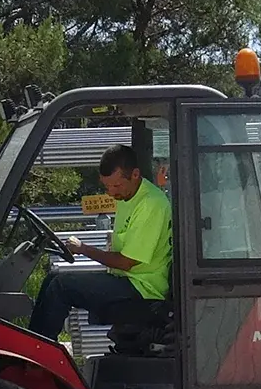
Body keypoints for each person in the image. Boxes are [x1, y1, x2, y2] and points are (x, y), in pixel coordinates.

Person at [27, 144, 172, 339]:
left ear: (135, 174)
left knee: (62, 286)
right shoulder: (128, 196)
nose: (111, 193)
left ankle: (40, 355)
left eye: (116, 186)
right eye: (107, 186)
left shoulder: (151, 204)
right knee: (53, 278)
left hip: (144, 289)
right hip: (129, 280)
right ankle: (32, 344)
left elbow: (126, 262)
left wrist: (83, 248)